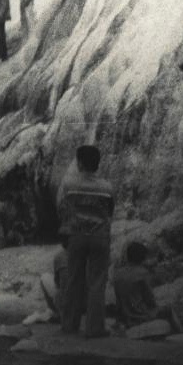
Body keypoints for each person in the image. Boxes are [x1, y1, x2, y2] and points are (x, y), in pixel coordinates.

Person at [57, 145, 115, 338]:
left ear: (79, 163)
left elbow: (62, 208)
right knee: (97, 282)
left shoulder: (69, 185)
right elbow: (110, 211)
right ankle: (95, 328)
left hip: (77, 235)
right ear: (98, 164)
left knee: (74, 280)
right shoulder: (107, 187)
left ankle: (69, 325)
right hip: (100, 237)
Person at [113, 242, 183, 332]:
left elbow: (118, 300)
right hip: (140, 315)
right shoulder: (143, 273)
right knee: (168, 310)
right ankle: (179, 333)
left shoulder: (117, 273)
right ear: (143, 257)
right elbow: (150, 300)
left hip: (124, 317)